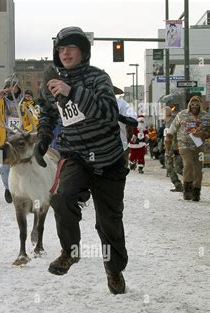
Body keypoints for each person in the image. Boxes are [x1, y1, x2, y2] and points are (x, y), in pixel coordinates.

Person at [33, 26, 128, 294]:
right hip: (75, 154)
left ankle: (114, 270)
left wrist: (72, 90)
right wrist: (42, 139)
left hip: (108, 159)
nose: (65, 53)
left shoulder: (98, 78)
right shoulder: (51, 85)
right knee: (61, 197)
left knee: (108, 221)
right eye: (61, 49)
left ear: (83, 52)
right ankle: (70, 251)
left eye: (71, 48)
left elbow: (108, 112)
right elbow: (48, 115)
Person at [0, 76, 38, 203]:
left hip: (20, 142)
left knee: (23, 167)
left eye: (14, 86)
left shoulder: (26, 103)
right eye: (8, 86)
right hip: (4, 141)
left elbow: (35, 119)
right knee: (5, 169)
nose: (11, 89)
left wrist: (24, 130)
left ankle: (25, 191)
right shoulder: (0, 102)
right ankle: (8, 188)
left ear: (18, 88)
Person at [165, 96, 210, 201]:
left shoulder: (205, 116)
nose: (194, 106)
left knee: (198, 170)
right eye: (192, 104)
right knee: (188, 164)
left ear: (200, 105)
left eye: (197, 104)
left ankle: (196, 192)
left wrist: (205, 133)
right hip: (184, 145)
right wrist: (169, 138)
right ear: (189, 105)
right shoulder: (182, 115)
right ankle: (187, 190)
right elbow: (173, 127)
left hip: (199, 146)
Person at [114, 87, 137, 169]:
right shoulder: (92, 103)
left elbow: (134, 121)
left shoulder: (121, 104)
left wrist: (118, 116)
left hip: (120, 147)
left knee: (120, 176)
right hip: (98, 149)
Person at [162, 106, 183, 192]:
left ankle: (191, 181)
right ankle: (178, 185)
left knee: (179, 168)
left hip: (175, 148)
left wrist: (177, 146)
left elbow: (178, 134)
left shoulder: (174, 121)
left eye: (163, 112)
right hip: (168, 149)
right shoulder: (165, 122)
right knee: (169, 167)